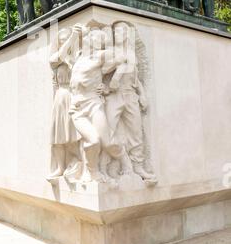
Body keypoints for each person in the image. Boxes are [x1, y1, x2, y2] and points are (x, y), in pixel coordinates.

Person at [69, 27, 125, 183]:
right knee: (92, 140)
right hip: (77, 107)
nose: (90, 37)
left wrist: (111, 80)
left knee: (107, 142)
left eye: (96, 37)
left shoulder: (99, 56)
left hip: (93, 103)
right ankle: (91, 171)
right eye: (92, 35)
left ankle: (124, 160)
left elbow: (122, 58)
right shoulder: (79, 56)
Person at [105, 22, 157, 184]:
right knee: (108, 131)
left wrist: (142, 94)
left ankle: (138, 166)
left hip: (131, 95)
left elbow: (135, 77)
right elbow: (103, 69)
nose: (120, 34)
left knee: (136, 133)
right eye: (117, 31)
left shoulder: (131, 53)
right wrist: (117, 62)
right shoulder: (111, 52)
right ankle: (115, 163)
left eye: (123, 31)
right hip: (114, 95)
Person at [48, 26, 82, 181]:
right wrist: (72, 37)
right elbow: (60, 57)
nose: (64, 42)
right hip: (61, 96)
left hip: (75, 95)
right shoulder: (56, 57)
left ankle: (78, 162)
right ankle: (60, 167)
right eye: (61, 40)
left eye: (66, 39)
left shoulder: (78, 57)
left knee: (74, 133)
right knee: (58, 134)